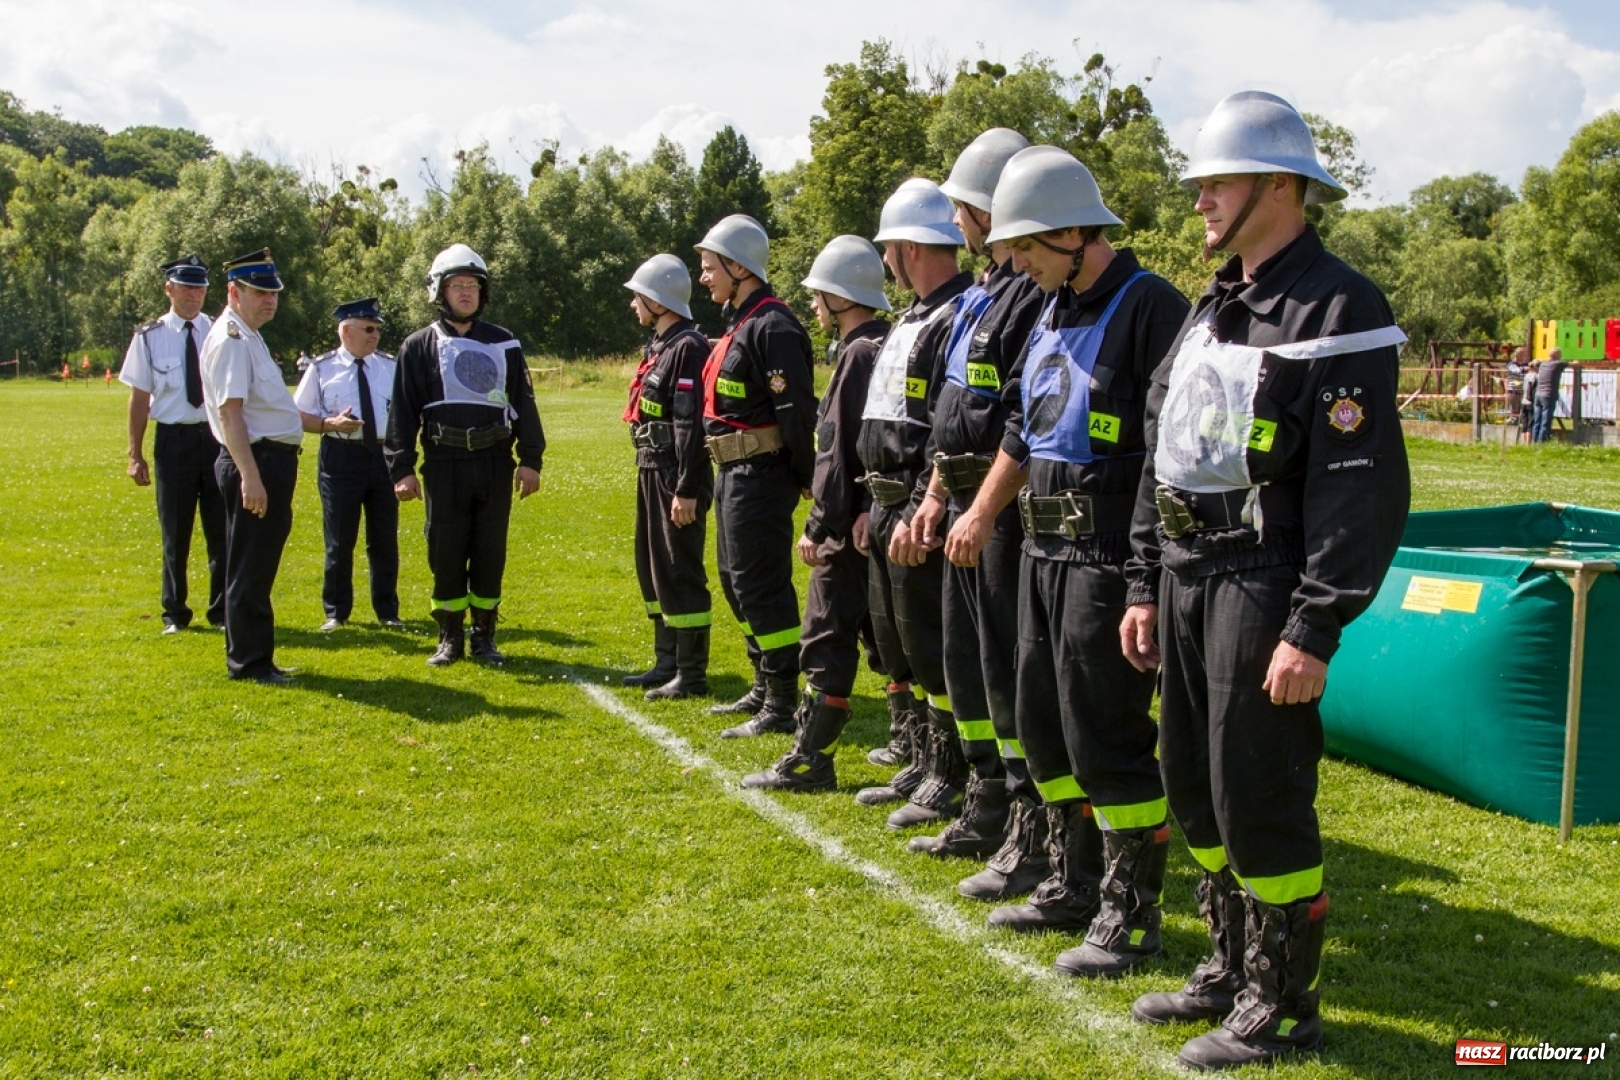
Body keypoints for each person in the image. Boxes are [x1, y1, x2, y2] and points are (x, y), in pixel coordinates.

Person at [1122, 91, 1410, 1070]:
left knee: (1258, 792)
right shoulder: (1212, 306)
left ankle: (1283, 1005)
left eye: (1219, 182)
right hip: (1187, 574)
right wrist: (1144, 582)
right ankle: (1228, 966)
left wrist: (1314, 625)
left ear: (1280, 186)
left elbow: (1359, 486)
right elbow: (1164, 449)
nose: (1201, 200)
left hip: (1262, 577)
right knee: (1193, 784)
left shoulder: (1340, 305)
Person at [941, 147, 1189, 973]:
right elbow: (1021, 426)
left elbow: (1166, 451)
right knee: (1042, 727)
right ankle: (1070, 882)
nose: (1018, 265)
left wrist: (1145, 579)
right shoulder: (1051, 307)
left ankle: (1131, 912)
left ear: (1075, 233)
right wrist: (982, 511)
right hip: (1040, 551)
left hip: (1105, 556)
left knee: (1105, 735)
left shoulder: (1151, 306)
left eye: (1028, 248)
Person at [904, 129, 1049, 893]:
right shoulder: (980, 298)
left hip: (1003, 511)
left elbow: (1022, 420)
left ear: (989, 211)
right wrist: (936, 494)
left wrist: (984, 505)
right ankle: (986, 799)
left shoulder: (1030, 295)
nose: (956, 222)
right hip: (960, 499)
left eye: (962, 208)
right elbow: (951, 411)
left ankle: (1030, 824)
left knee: (1008, 669)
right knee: (968, 665)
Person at [743, 235, 893, 791]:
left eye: (819, 293)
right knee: (882, 637)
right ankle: (910, 744)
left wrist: (819, 524)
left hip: (846, 525)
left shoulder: (857, 353)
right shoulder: (885, 342)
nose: (812, 303)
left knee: (825, 637)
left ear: (841, 297)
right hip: (871, 517)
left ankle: (811, 759)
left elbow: (838, 449)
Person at [854, 178, 974, 829]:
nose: (886, 260)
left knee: (932, 646)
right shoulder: (912, 316)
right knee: (899, 641)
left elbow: (946, 427)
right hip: (883, 504)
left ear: (910, 247)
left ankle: (949, 774)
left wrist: (922, 503)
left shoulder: (957, 316)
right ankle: (923, 756)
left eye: (889, 248)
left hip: (915, 506)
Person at [385, 244, 546, 666]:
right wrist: (401, 469)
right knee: (446, 552)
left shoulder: (505, 342)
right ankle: (449, 636)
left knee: (490, 552)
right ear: (439, 290)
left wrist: (531, 460)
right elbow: (402, 412)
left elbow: (523, 403)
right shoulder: (418, 346)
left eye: (473, 285)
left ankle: (484, 636)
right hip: (444, 464)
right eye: (457, 284)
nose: (465, 292)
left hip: (494, 462)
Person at [694, 215, 818, 737]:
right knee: (735, 580)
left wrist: (806, 475)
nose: (703, 277)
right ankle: (764, 683)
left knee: (760, 584)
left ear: (739, 267)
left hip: (763, 473)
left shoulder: (774, 326)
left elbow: (797, 412)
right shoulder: (741, 322)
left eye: (710, 266)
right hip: (733, 471)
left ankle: (783, 702)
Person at [199, 249, 303, 684]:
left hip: (267, 460)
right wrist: (251, 477)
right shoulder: (232, 339)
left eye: (273, 293)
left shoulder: (248, 335)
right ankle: (248, 663)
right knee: (248, 567)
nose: (269, 300)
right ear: (233, 292)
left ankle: (258, 657)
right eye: (259, 292)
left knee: (256, 565)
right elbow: (230, 414)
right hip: (255, 461)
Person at [620, 254, 715, 701]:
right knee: (653, 566)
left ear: (658, 301)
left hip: (674, 473)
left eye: (638, 296)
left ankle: (691, 673)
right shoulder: (661, 346)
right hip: (651, 465)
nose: (633, 304)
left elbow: (691, 424)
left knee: (679, 568)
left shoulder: (688, 347)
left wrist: (686, 488)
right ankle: (667, 660)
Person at [119, 254, 226, 634]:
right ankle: (175, 613)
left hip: (215, 438)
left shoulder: (219, 331)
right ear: (169, 289)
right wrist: (135, 454)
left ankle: (222, 612)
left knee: (222, 530)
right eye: (186, 287)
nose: (194, 295)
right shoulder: (149, 337)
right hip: (173, 438)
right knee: (175, 532)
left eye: (200, 288)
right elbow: (139, 399)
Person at [293, 298, 402, 631]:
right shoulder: (322, 368)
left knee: (384, 538)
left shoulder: (390, 366)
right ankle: (336, 612)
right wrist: (330, 424)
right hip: (341, 457)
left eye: (378, 329)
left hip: (382, 457)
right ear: (346, 331)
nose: (375, 335)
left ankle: (387, 611)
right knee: (340, 539)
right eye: (369, 329)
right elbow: (298, 415)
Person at [1532, 347, 1566, 443]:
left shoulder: (1543, 364)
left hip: (1538, 395)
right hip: (1548, 395)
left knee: (1537, 421)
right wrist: (1576, 362)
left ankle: (1534, 442)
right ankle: (1541, 444)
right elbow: (1574, 364)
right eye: (1560, 355)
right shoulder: (1558, 363)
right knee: (1545, 421)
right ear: (1557, 355)